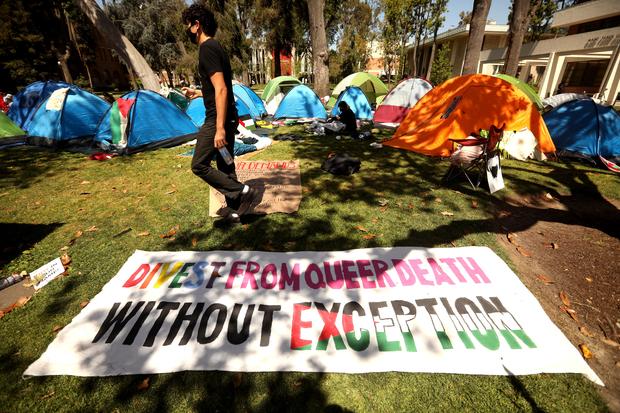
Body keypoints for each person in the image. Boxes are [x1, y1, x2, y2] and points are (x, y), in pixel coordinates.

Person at [181, 4, 259, 224]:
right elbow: (218, 85)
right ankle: (237, 211)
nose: (187, 30)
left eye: (188, 25)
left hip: (218, 118)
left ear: (197, 25)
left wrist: (219, 128)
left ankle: (244, 191)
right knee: (225, 163)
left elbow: (222, 89)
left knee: (199, 165)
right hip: (227, 115)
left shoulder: (207, 48)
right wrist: (197, 93)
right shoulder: (216, 47)